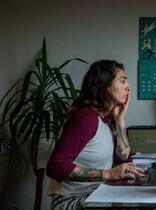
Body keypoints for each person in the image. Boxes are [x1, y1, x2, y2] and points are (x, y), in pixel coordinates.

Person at [46, 60, 145, 210]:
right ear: (106, 86)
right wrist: (108, 174)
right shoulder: (86, 118)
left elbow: (123, 159)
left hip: (96, 193)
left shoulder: (106, 119)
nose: (128, 87)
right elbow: (56, 166)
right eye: (122, 80)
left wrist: (120, 121)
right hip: (70, 200)